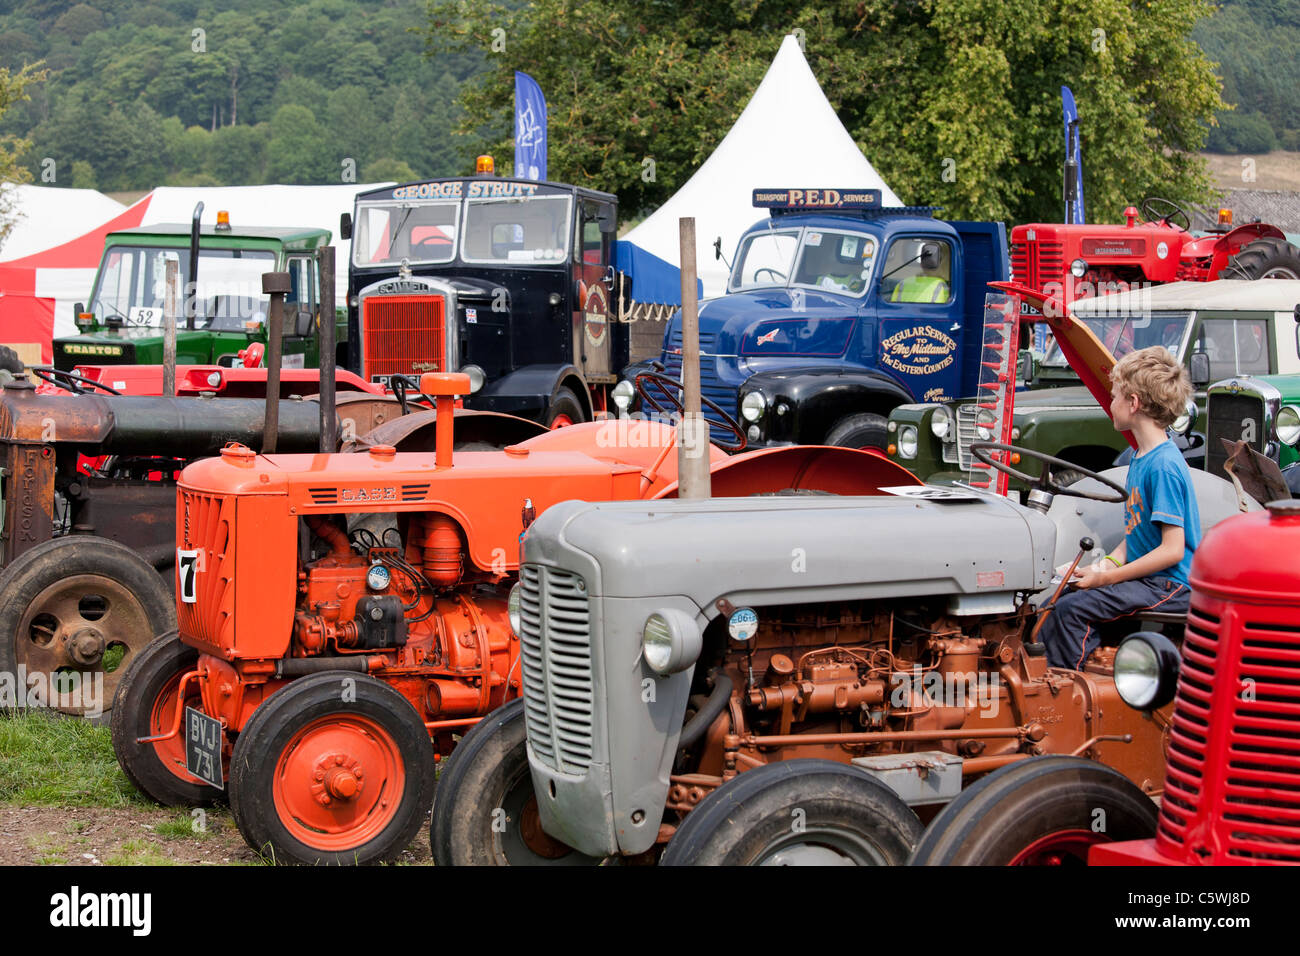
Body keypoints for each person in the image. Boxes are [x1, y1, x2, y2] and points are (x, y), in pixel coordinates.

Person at [1038, 346, 1200, 670]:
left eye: (1114, 397)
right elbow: (1138, 534)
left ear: (1134, 402)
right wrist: (1104, 567)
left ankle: (1068, 695)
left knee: (1073, 614)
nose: (1110, 404)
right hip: (1150, 581)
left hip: (1170, 585)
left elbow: (1172, 550)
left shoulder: (1164, 465)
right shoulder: (1141, 457)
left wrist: (1107, 581)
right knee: (1052, 605)